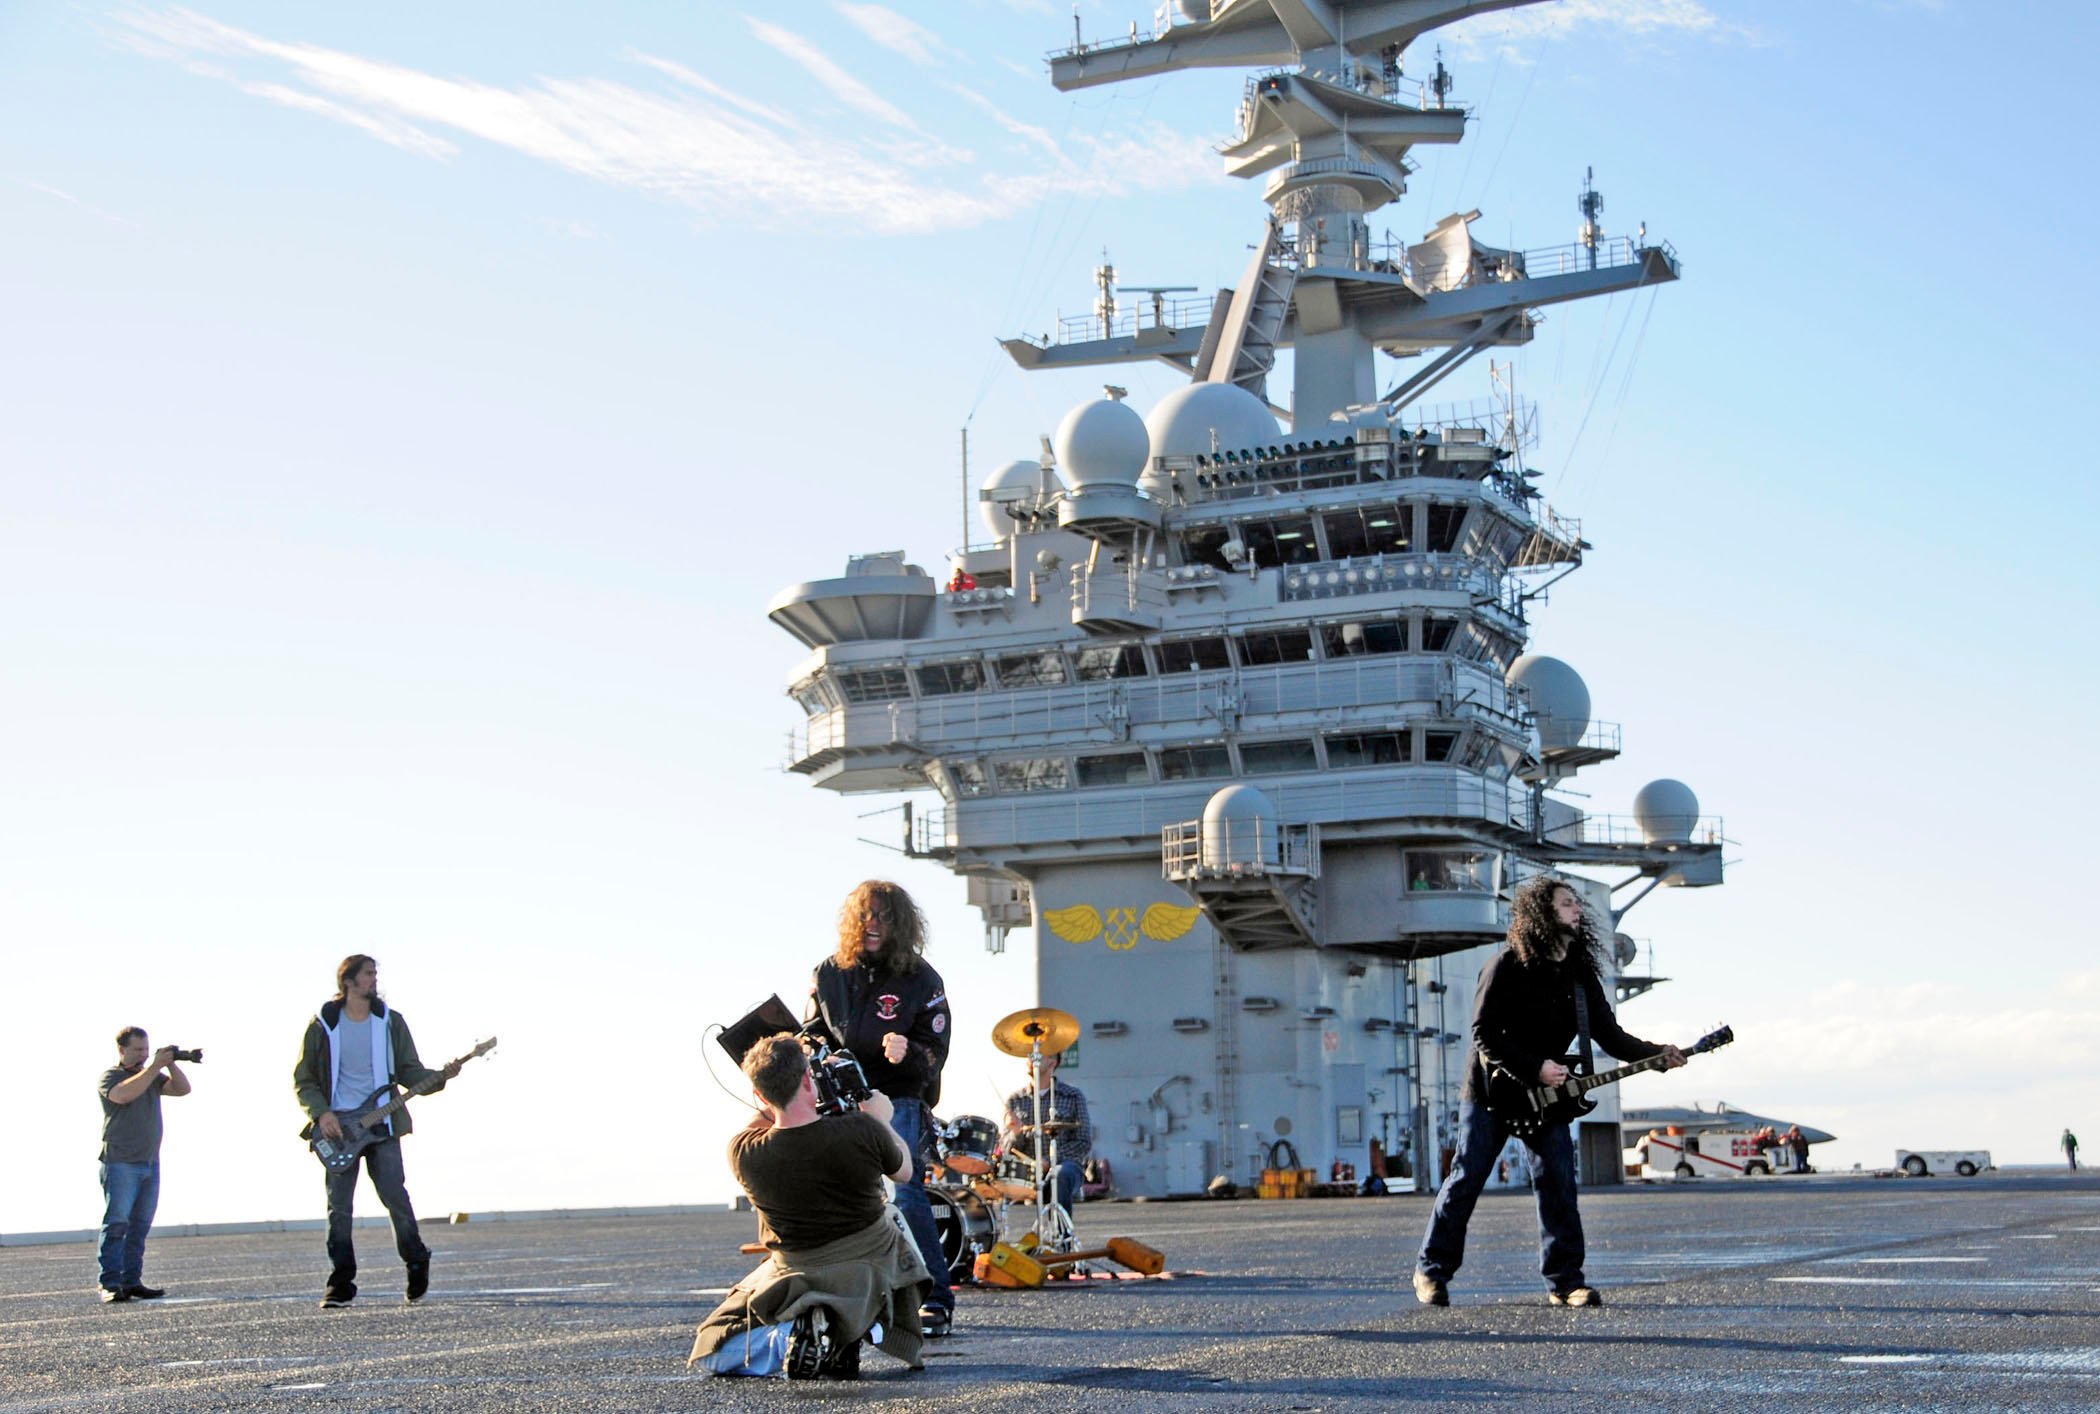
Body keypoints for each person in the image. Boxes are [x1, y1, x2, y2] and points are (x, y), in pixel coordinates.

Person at [1413, 876, 1685, 1309]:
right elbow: (1483, 1034)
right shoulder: (1506, 964)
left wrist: (1658, 1054)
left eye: (1577, 904)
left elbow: (1611, 1037)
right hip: (1490, 1093)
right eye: (1565, 904)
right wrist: (1535, 1066)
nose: (1577, 910)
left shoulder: (1580, 977)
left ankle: (1565, 1282)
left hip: (1547, 1098)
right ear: (1542, 913)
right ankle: (1431, 1271)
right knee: (1466, 1179)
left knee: (1559, 1183)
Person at [689, 1035, 929, 1380]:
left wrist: (773, 1092)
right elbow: (904, 1171)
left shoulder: (743, 1152)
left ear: (759, 1095)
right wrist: (882, 1119)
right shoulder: (862, 1130)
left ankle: (793, 1338)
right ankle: (839, 1335)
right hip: (869, 1270)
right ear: (807, 1080)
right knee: (892, 1217)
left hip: (793, 1271)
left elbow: (766, 1119)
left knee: (712, 1351)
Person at [808, 881, 955, 1335]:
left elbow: (938, 1048)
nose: (873, 925)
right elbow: (811, 1030)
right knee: (837, 1197)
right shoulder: (828, 973)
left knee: (906, 1192)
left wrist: (908, 1050)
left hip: (898, 1099)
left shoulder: (922, 978)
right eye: (866, 916)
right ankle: (838, 1297)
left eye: (884, 917)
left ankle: (936, 1299)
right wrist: (818, 1051)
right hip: (840, 1098)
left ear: (900, 924)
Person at [293, 955, 460, 1309]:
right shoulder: (324, 1024)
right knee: (339, 1207)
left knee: (394, 1196)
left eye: (374, 974)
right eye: (368, 974)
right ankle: (340, 1283)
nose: (374, 979)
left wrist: (440, 1077)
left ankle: (416, 1259)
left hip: (383, 1124)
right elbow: (304, 1079)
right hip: (340, 1129)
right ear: (349, 981)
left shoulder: (389, 1023)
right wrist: (321, 1113)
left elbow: (409, 1071)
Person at [95, 1027, 192, 1302]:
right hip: (120, 1162)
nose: (143, 1055)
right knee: (117, 1223)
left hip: (150, 1162)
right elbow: (123, 1095)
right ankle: (110, 1284)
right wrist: (153, 1067)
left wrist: (170, 1063)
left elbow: (183, 1089)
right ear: (122, 1050)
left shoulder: (151, 1076)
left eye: (146, 1049)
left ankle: (131, 1280)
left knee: (139, 1225)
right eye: (137, 1050)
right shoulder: (111, 1076)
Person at [1002, 1049, 1092, 1216]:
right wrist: (1015, 1133)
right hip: (1026, 1170)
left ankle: (1061, 1238)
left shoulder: (1073, 1096)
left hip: (1066, 1166)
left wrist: (1049, 1161)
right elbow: (1007, 1149)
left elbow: (1083, 1142)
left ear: (1053, 1062)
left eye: (1037, 1055)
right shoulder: (1014, 1100)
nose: (1030, 1058)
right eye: (1029, 1054)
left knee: (1059, 1175)